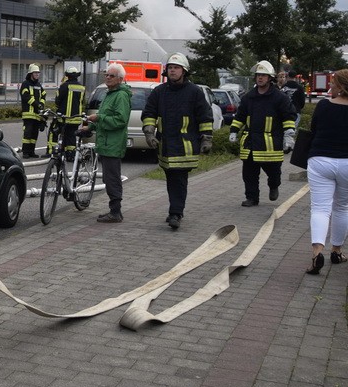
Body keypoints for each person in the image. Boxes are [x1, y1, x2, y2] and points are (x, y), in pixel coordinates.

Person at [141, 52, 214, 230]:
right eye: (170, 68)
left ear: (184, 71)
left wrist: (206, 139)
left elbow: (204, 117)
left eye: (176, 68)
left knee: (179, 178)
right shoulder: (159, 92)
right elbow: (149, 113)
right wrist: (149, 133)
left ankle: (176, 213)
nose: (172, 71)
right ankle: (175, 209)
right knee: (171, 178)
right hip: (165, 145)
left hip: (185, 145)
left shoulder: (194, 92)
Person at [229, 60, 296, 207]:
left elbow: (288, 117)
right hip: (251, 141)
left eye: (263, 75)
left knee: (273, 172)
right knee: (249, 174)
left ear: (270, 78)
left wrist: (289, 136)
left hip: (271, 143)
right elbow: (240, 116)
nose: (260, 78)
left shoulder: (280, 98)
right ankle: (252, 198)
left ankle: (274, 186)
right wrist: (234, 130)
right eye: (258, 75)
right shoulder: (248, 97)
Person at [305, 69, 348, 274]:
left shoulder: (323, 105)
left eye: (333, 84)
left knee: (320, 209)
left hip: (320, 160)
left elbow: (314, 129)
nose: (330, 86)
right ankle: (337, 251)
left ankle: (316, 254)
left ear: (341, 86)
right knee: (342, 207)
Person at [81, 63, 131, 223]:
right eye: (106, 75)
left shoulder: (120, 96)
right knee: (109, 178)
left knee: (112, 178)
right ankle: (114, 210)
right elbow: (103, 117)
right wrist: (89, 127)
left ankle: (115, 212)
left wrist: (99, 118)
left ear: (120, 79)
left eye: (111, 76)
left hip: (113, 144)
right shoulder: (109, 94)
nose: (107, 78)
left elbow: (120, 120)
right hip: (105, 143)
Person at [52, 65, 85, 160]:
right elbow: (82, 102)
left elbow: (57, 100)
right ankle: (71, 154)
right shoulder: (82, 88)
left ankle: (61, 153)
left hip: (64, 117)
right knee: (71, 135)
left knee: (62, 134)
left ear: (68, 76)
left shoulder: (64, 86)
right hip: (76, 117)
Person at [19, 63, 46, 158]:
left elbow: (43, 94)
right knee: (28, 133)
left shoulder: (39, 85)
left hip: (37, 114)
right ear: (31, 74)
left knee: (35, 134)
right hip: (28, 114)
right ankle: (25, 152)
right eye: (35, 73)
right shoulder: (25, 84)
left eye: (38, 73)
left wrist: (42, 104)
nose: (37, 75)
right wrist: (36, 104)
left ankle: (32, 151)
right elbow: (25, 96)